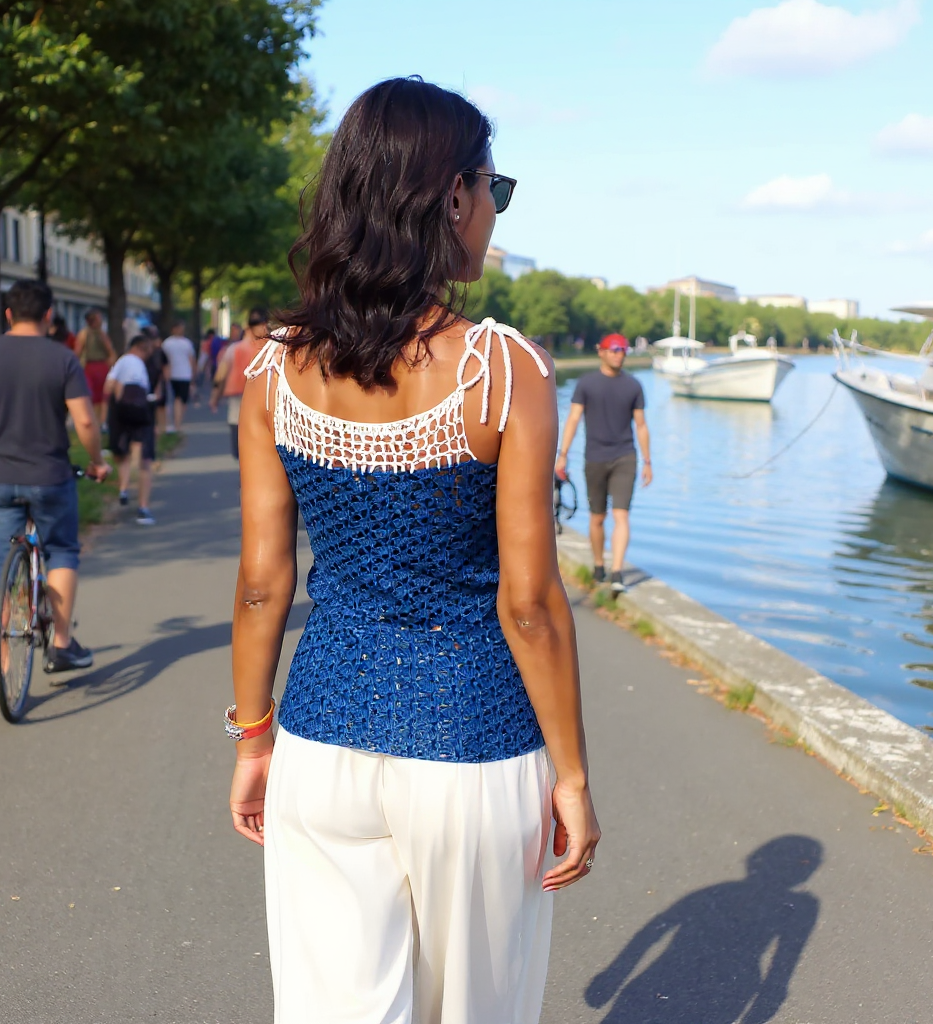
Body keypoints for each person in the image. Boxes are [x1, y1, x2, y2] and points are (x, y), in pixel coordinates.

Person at [228, 78, 600, 1024]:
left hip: (319, 736)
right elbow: (529, 604)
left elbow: (264, 586)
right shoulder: (498, 368)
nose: (492, 212)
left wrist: (252, 736)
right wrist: (572, 776)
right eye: (494, 188)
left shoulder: (274, 365)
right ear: (449, 196)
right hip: (476, 749)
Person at [0, 279, 109, 697]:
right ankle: (61, 645)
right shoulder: (61, 358)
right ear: (47, 315)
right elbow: (86, 421)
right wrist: (96, 461)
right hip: (51, 475)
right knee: (61, 550)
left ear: (8, 314)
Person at [555, 333, 652, 595]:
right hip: (595, 458)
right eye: (614, 349)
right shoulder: (586, 384)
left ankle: (617, 571)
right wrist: (562, 455)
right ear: (602, 352)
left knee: (621, 515)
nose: (619, 354)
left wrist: (647, 461)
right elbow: (573, 419)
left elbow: (641, 425)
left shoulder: (634, 386)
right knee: (597, 517)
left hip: (625, 457)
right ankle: (599, 565)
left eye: (623, 350)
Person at [104, 334, 157, 526]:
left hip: (122, 412)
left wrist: (117, 403)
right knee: (145, 460)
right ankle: (143, 507)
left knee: (122, 452)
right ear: (140, 348)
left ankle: (124, 488)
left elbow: (109, 385)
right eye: (148, 350)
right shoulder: (137, 363)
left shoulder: (122, 362)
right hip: (141, 411)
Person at [209, 307, 269, 459]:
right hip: (265, 402)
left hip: (238, 400)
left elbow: (220, 376)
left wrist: (215, 398)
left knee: (240, 448)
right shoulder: (271, 349)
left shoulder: (234, 349)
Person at [74, 308, 116, 427]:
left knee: (101, 396)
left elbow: (110, 352)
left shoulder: (99, 334)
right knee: (93, 395)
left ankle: (100, 421)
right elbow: (78, 352)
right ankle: (95, 420)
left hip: (99, 366)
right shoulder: (87, 334)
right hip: (92, 366)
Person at [161, 320, 195, 432]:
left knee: (179, 399)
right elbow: (191, 360)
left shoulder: (168, 343)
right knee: (179, 399)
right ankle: (177, 423)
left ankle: (176, 422)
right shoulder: (174, 343)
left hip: (180, 374)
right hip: (180, 374)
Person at [142, 325, 171, 435]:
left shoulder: (159, 352)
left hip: (157, 381)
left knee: (161, 405)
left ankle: (162, 428)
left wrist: (164, 382)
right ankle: (154, 428)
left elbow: (165, 367)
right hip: (147, 381)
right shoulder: (145, 353)